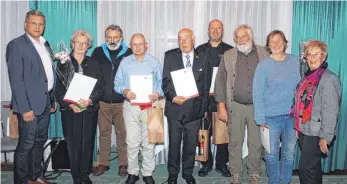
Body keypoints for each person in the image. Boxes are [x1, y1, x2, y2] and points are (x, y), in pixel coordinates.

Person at [6, 10, 57, 184]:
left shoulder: (45, 44)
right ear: (25, 24)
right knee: (26, 144)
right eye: (34, 23)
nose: (37, 27)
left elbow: (48, 75)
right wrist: (25, 107)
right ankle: (21, 181)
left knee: (39, 142)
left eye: (41, 23)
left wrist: (52, 98)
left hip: (45, 103)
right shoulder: (16, 45)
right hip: (29, 106)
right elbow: (16, 80)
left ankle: (35, 177)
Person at [214, 24, 268, 184]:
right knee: (235, 141)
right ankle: (235, 172)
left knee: (256, 142)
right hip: (235, 106)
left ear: (251, 37)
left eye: (244, 35)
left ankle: (254, 172)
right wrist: (221, 106)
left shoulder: (264, 53)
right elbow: (220, 81)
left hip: (257, 107)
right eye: (237, 36)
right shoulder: (228, 55)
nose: (240, 39)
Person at [162, 28, 211, 184]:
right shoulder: (169, 56)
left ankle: (188, 173)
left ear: (193, 39)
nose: (183, 42)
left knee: (190, 145)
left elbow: (206, 86)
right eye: (180, 39)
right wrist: (172, 97)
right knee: (174, 144)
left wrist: (203, 110)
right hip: (175, 109)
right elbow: (165, 82)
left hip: (194, 111)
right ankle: (173, 174)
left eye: (186, 38)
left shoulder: (203, 57)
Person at [252, 30, 300, 184]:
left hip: (292, 117)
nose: (276, 44)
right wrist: (260, 118)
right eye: (272, 42)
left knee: (289, 154)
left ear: (285, 43)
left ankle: (284, 181)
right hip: (270, 118)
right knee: (271, 155)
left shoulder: (295, 61)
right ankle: (274, 181)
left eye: (279, 41)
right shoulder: (263, 65)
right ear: (268, 46)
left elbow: (303, 88)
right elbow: (257, 93)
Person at [114, 33, 163, 184]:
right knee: (132, 142)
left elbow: (162, 84)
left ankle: (148, 173)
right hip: (131, 107)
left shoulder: (154, 62)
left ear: (146, 44)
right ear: (130, 46)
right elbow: (117, 83)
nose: (137, 47)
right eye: (134, 44)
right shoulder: (124, 62)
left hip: (151, 106)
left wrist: (157, 93)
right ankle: (133, 173)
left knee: (149, 142)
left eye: (140, 44)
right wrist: (125, 91)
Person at [55, 30, 102, 184]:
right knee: (73, 144)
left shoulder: (94, 62)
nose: (81, 45)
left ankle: (85, 173)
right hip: (70, 110)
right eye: (78, 42)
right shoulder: (63, 63)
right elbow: (58, 90)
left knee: (87, 142)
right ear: (72, 44)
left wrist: (90, 100)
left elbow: (99, 87)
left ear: (88, 46)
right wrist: (69, 105)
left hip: (89, 110)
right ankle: (76, 175)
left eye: (84, 43)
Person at [292, 40, 341, 184]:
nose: (312, 58)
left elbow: (331, 111)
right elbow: (299, 104)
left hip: (317, 132)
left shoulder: (329, 79)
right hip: (304, 129)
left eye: (316, 54)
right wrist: (298, 126)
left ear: (324, 57)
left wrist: (325, 137)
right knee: (313, 166)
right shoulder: (307, 76)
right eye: (309, 54)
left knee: (306, 169)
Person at [91, 24, 132, 177]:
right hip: (103, 102)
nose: (112, 40)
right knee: (104, 133)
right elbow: (92, 74)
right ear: (105, 37)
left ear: (121, 38)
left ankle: (123, 163)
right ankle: (103, 163)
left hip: (123, 102)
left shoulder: (129, 52)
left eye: (115, 37)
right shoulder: (97, 52)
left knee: (122, 134)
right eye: (109, 37)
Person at [196, 19, 233, 177]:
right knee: (202, 134)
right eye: (213, 28)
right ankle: (205, 163)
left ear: (222, 31)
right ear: (208, 31)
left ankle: (221, 164)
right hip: (203, 100)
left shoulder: (230, 51)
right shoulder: (199, 50)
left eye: (219, 28)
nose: (216, 31)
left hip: (222, 100)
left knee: (223, 135)